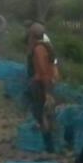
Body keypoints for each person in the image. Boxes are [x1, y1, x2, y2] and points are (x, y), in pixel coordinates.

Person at [27, 23, 57, 153]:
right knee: (43, 112)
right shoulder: (47, 46)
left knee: (41, 113)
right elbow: (53, 66)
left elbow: (43, 70)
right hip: (46, 82)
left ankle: (48, 145)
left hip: (40, 83)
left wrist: (46, 90)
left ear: (32, 35)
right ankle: (47, 143)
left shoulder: (39, 49)